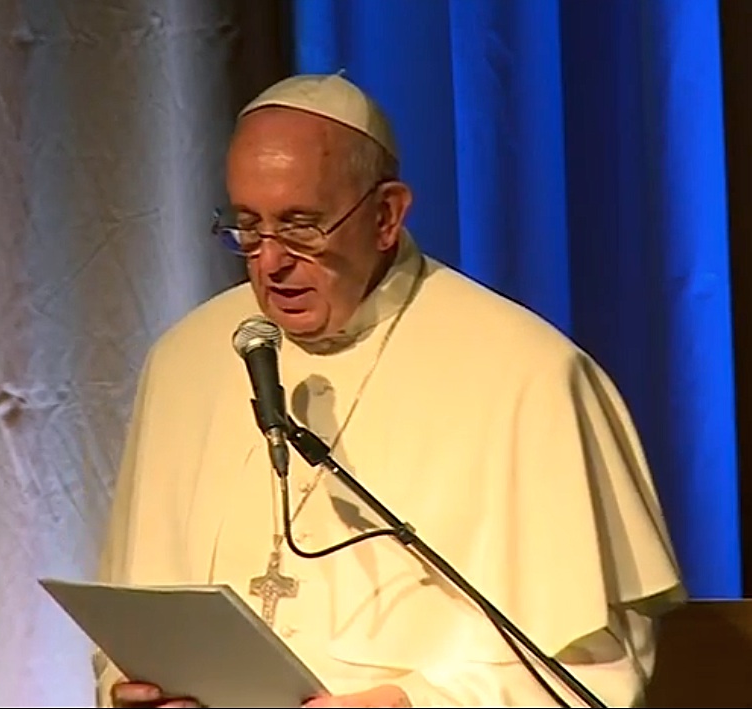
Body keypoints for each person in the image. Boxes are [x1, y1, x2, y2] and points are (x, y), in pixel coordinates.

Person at [92, 73, 685, 708]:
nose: (270, 261)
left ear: (386, 216)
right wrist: (131, 690)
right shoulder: (187, 359)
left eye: (301, 227)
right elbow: (128, 634)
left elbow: (592, 675)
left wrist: (414, 705)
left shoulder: (529, 373)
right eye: (248, 228)